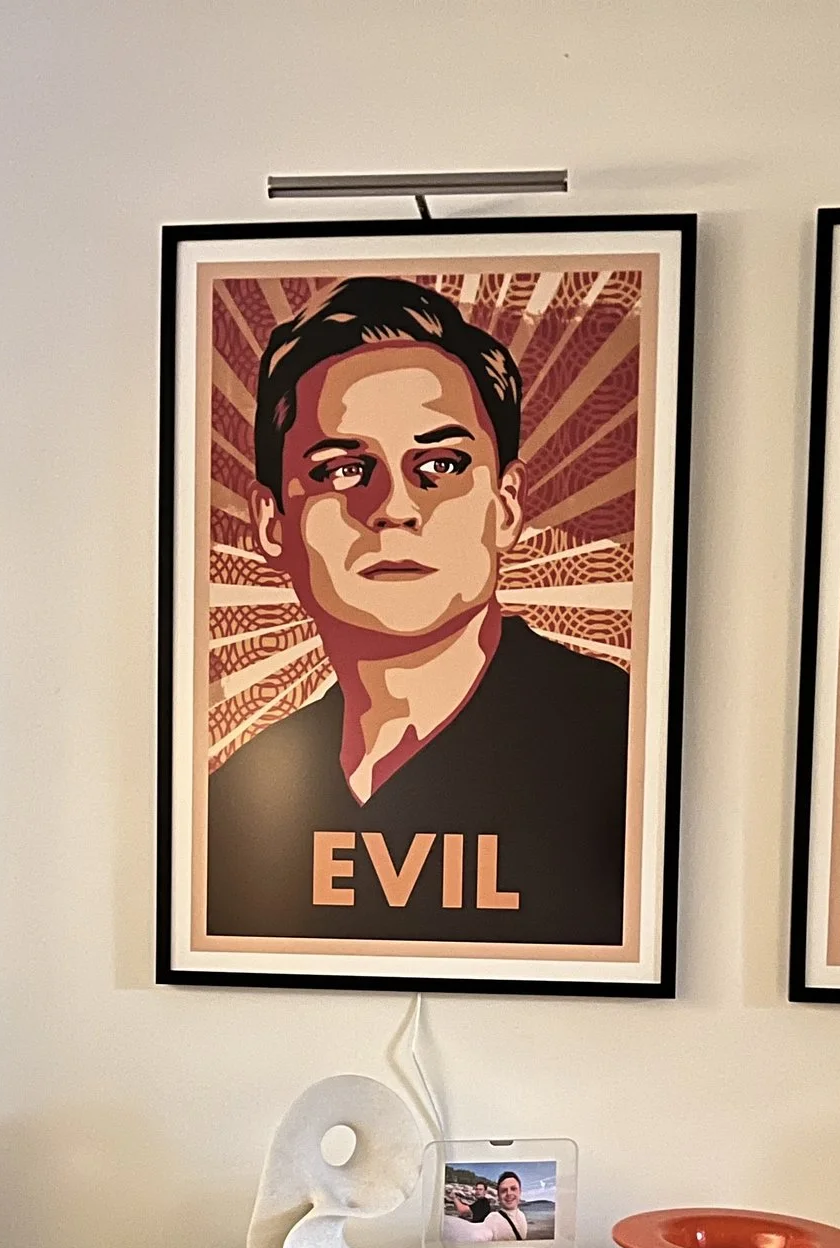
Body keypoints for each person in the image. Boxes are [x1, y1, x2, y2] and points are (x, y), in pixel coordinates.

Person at [205, 276, 632, 946]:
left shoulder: (623, 744)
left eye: (441, 464)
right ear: (272, 522)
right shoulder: (232, 805)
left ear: (506, 506)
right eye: (342, 469)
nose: (394, 508)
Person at [441, 1168, 533, 1245]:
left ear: (520, 1191)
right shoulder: (521, 1216)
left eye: (513, 1188)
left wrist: (454, 1198)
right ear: (498, 1195)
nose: (509, 1193)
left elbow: (462, 1211)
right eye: (504, 1190)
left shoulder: (491, 1215)